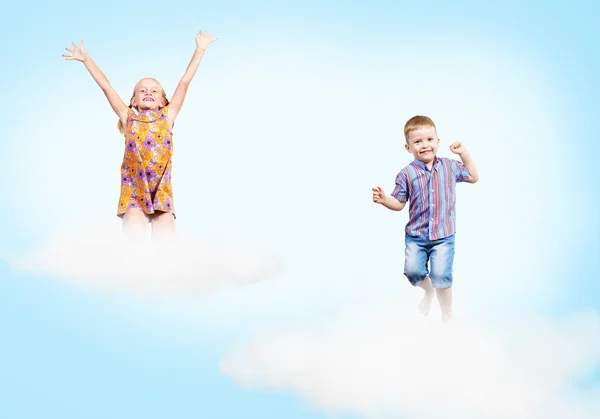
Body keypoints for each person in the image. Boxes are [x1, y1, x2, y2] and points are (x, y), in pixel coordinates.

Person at [62, 30, 217, 239]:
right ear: (133, 100)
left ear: (163, 101)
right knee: (134, 235)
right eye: (142, 90)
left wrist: (199, 50)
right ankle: (132, 268)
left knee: (166, 238)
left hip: (161, 191)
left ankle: (168, 269)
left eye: (154, 90)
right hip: (134, 191)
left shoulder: (168, 116)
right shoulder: (129, 119)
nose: (148, 92)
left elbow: (184, 83)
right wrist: (86, 59)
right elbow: (106, 87)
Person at [372, 115, 478, 322]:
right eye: (418, 142)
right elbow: (399, 203)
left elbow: (474, 177)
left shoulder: (450, 166)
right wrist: (385, 199)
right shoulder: (406, 174)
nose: (425, 145)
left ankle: (447, 316)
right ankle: (428, 291)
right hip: (416, 237)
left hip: (443, 236)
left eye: (429, 140)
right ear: (408, 147)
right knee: (413, 272)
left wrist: (464, 154)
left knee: (442, 277)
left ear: (438, 142)